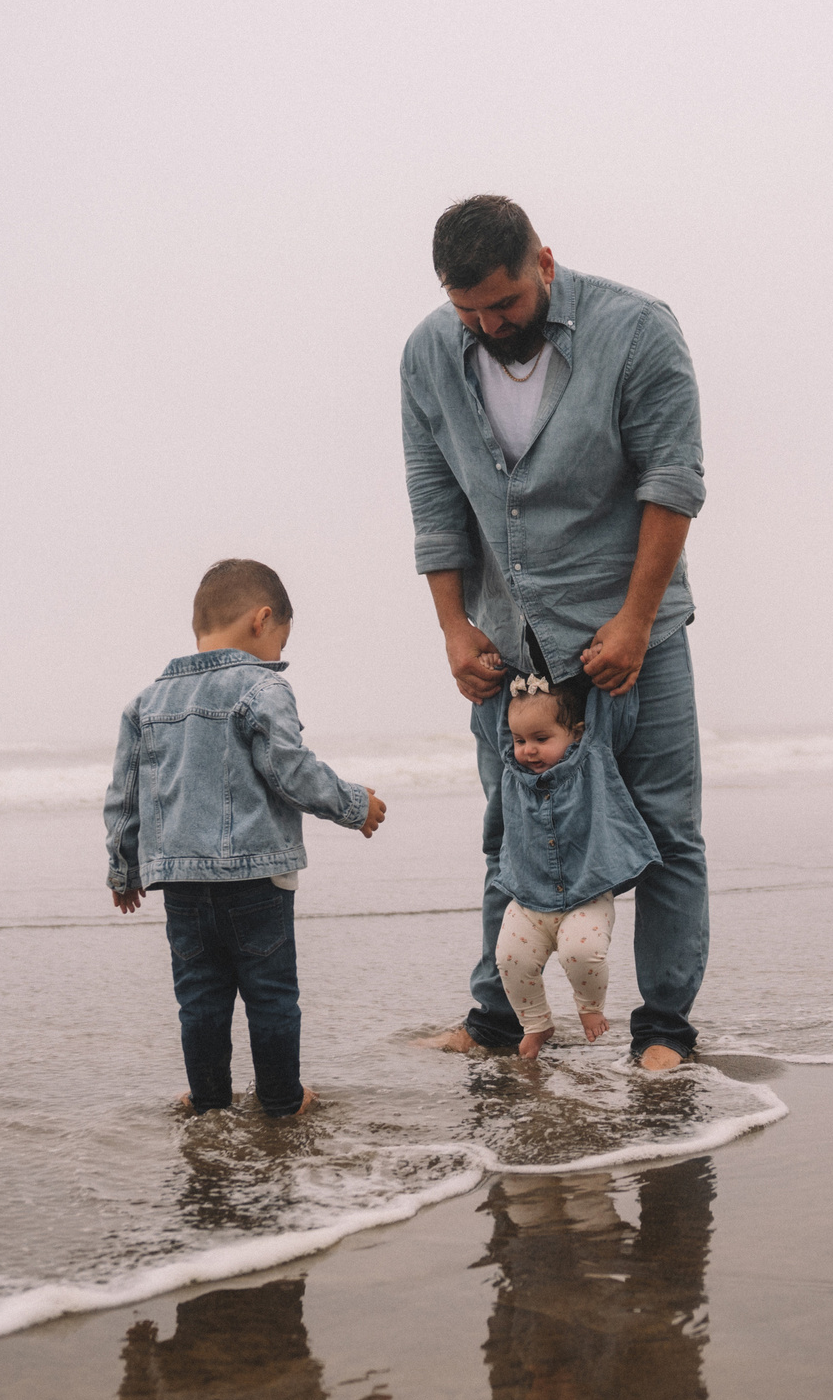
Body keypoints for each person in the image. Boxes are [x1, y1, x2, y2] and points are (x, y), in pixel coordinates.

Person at [400, 195, 710, 1071]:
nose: (489, 325)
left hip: (631, 631)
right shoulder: (429, 351)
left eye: (503, 304)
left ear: (543, 259)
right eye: (470, 311)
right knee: (510, 830)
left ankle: (663, 1030)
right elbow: (435, 497)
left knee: (666, 831)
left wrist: (637, 620)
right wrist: (455, 627)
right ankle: (497, 1019)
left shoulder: (636, 329)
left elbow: (673, 479)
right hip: (508, 639)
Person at [104, 559, 385, 1117]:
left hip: (180, 884)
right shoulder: (262, 686)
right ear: (262, 620)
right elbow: (291, 770)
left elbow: (125, 793)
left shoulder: (145, 703)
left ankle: (209, 1103)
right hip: (258, 879)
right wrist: (356, 805)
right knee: (271, 996)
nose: (280, 649)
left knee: (200, 1000)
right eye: (282, 636)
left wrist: (123, 868)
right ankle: (281, 1100)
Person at [488, 672, 660, 1058]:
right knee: (509, 959)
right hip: (529, 897)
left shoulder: (592, 757)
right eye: (520, 740)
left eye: (541, 739)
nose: (528, 750)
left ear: (577, 734)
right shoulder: (513, 771)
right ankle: (537, 1024)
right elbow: (502, 732)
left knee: (581, 954)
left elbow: (606, 707)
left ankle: (589, 1007)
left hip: (586, 891)